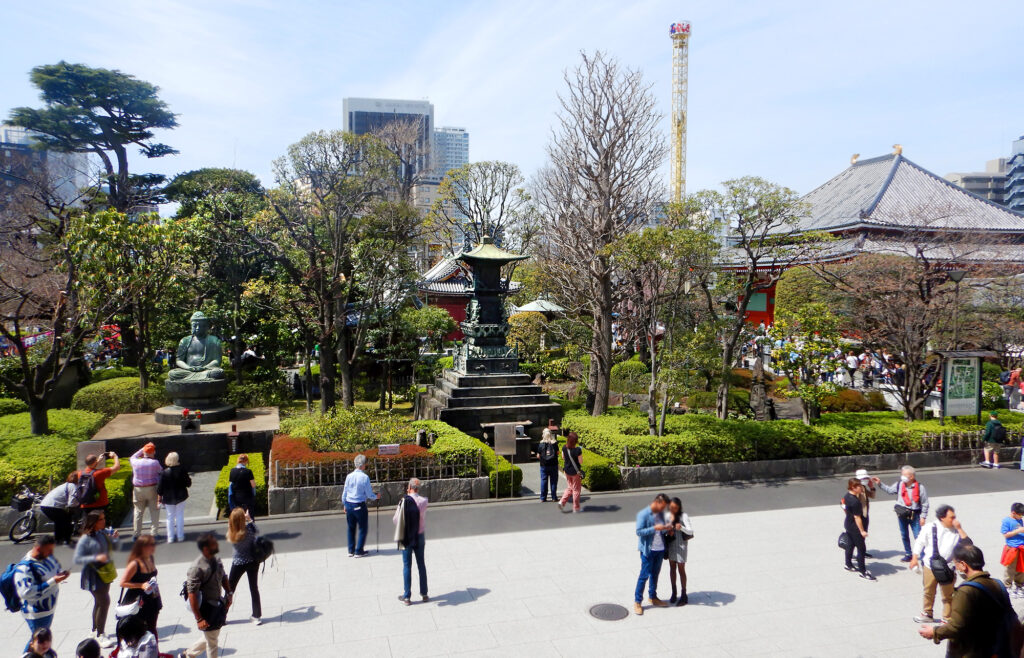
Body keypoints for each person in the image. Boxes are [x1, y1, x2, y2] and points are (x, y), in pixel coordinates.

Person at [919, 544, 1017, 656]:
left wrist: (934, 632)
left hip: (974, 651)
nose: (954, 567)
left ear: (963, 565)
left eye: (955, 564)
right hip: (997, 647)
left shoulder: (966, 591)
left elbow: (957, 626)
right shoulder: (997, 583)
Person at [910, 504, 971, 624]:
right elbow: (919, 542)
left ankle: (946, 618)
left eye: (954, 517)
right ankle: (927, 613)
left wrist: (959, 528)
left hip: (948, 567)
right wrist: (914, 557)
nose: (954, 520)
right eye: (951, 517)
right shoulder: (930, 527)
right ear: (942, 518)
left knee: (948, 595)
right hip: (930, 566)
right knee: (928, 591)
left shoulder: (956, 531)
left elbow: (968, 545)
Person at [73, 511, 118, 649]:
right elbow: (78, 559)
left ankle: (94, 631)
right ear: (93, 522)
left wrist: (114, 539)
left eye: (104, 518)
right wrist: (96, 558)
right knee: (104, 602)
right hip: (93, 575)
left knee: (99, 603)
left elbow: (110, 549)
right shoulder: (85, 539)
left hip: (104, 572)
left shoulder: (101, 533)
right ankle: (100, 634)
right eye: (101, 520)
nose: (104, 521)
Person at [15, 535, 68, 649]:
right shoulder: (25, 568)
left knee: (39, 640)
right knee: (38, 641)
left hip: (47, 609)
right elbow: (26, 592)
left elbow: (54, 570)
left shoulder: (45, 558)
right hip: (36, 613)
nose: (51, 553)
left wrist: (60, 575)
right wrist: (53, 581)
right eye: (49, 550)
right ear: (39, 549)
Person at [184, 533, 232, 658]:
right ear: (206, 548)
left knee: (212, 635)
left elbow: (224, 576)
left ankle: (187, 655)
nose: (217, 544)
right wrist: (199, 618)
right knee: (213, 642)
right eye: (213, 543)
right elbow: (192, 594)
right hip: (206, 609)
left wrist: (229, 593)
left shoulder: (216, 559)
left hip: (217, 604)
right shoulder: (197, 568)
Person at [878, 465, 930, 562]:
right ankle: (908, 553)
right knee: (904, 534)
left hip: (915, 515)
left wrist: (923, 517)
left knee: (918, 536)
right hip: (902, 514)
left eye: (905, 475)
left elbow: (925, 503)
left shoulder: (920, 487)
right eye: (902, 474)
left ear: (912, 476)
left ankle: (923, 556)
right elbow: (890, 490)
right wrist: (880, 484)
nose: (902, 477)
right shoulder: (900, 484)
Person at [634, 493, 671, 615]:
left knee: (655, 574)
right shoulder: (643, 514)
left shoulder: (661, 514)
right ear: (657, 503)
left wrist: (667, 528)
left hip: (660, 550)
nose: (663, 509)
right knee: (644, 575)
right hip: (648, 551)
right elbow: (639, 532)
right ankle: (637, 601)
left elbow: (662, 530)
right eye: (663, 506)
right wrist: (655, 528)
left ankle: (653, 597)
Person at [119, 535, 163, 638]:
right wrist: (141, 585)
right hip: (138, 599)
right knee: (140, 628)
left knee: (152, 626)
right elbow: (122, 583)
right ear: (142, 547)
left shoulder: (150, 558)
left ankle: (154, 652)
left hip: (152, 597)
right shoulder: (135, 564)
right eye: (151, 544)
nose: (154, 546)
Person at [394, 478, 429, 606]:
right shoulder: (424, 501)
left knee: (407, 565)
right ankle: (424, 594)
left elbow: (396, 520)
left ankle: (407, 596)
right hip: (419, 535)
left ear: (409, 487)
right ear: (418, 488)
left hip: (407, 536)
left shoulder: (404, 501)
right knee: (421, 564)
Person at [226, 507, 262, 624]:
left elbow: (233, 523)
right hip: (252, 561)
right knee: (254, 588)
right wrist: (249, 519)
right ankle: (256, 616)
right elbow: (257, 531)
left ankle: (221, 616)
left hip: (238, 563)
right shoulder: (249, 531)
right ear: (243, 519)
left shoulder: (231, 532)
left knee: (230, 589)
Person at [342, 454, 377, 557]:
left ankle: (350, 550)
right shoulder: (364, 477)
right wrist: (376, 496)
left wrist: (344, 503)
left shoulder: (349, 476)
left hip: (349, 503)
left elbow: (345, 491)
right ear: (363, 465)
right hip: (359, 505)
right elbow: (369, 494)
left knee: (351, 527)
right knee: (362, 528)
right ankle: (359, 550)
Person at [842, 478, 876, 580]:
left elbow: (844, 507)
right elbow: (857, 518)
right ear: (853, 487)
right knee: (861, 548)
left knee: (850, 545)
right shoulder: (855, 502)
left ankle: (848, 564)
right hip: (855, 528)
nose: (861, 488)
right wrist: (862, 531)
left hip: (848, 524)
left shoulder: (846, 496)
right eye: (859, 487)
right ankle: (863, 571)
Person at [664, 497, 694, 606]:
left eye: (675, 508)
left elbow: (691, 531)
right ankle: (674, 592)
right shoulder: (667, 516)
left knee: (681, 568)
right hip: (671, 543)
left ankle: (684, 594)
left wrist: (681, 527)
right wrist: (667, 530)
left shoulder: (684, 516)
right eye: (671, 508)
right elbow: (663, 530)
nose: (673, 510)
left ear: (679, 507)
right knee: (672, 567)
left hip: (681, 545)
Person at [157, 452, 191, 543]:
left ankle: (170, 537)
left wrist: (159, 497)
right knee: (180, 515)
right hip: (181, 496)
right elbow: (188, 483)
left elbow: (159, 489)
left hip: (168, 498)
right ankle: (180, 536)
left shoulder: (164, 473)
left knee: (170, 517)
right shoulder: (182, 470)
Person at [130, 443, 162, 540]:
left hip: (137, 489)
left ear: (143, 452)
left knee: (138, 511)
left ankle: (136, 534)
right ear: (153, 452)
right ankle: (154, 533)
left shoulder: (135, 461)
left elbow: (133, 456)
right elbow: (161, 471)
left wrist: (143, 449)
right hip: (152, 488)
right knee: (154, 510)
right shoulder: (155, 463)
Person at [40, 472, 80, 545]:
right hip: (52, 506)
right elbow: (72, 501)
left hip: (45, 505)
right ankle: (65, 539)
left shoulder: (65, 485)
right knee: (66, 520)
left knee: (60, 521)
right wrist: (74, 508)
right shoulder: (73, 486)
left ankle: (59, 539)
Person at [1000, 502, 1024, 599]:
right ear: (1013, 513)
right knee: (1010, 568)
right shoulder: (1007, 521)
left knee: (1021, 568)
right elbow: (1005, 534)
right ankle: (1008, 586)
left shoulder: (1020, 519)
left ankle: (1020, 585)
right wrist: (1018, 531)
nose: (1021, 517)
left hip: (1021, 547)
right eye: (1020, 515)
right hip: (1012, 548)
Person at [558, 432, 583, 513]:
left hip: (567, 471)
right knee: (576, 490)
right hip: (575, 472)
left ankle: (562, 502)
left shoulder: (564, 448)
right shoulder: (577, 450)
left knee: (569, 488)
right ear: (575, 441)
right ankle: (576, 508)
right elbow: (581, 461)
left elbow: (563, 457)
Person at [533, 427, 559, 502]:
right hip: (553, 464)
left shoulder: (541, 444)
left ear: (543, 435)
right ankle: (554, 497)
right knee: (553, 481)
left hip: (544, 465)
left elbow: (538, 455)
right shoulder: (554, 443)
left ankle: (543, 497)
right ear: (551, 434)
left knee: (544, 480)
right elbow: (557, 453)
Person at [854, 468, 877, 558]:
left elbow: (872, 496)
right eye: (863, 479)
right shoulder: (856, 489)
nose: (865, 481)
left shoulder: (863, 488)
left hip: (865, 514)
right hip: (858, 516)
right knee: (858, 535)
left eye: (866, 479)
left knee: (863, 534)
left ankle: (862, 550)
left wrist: (871, 487)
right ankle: (858, 553)